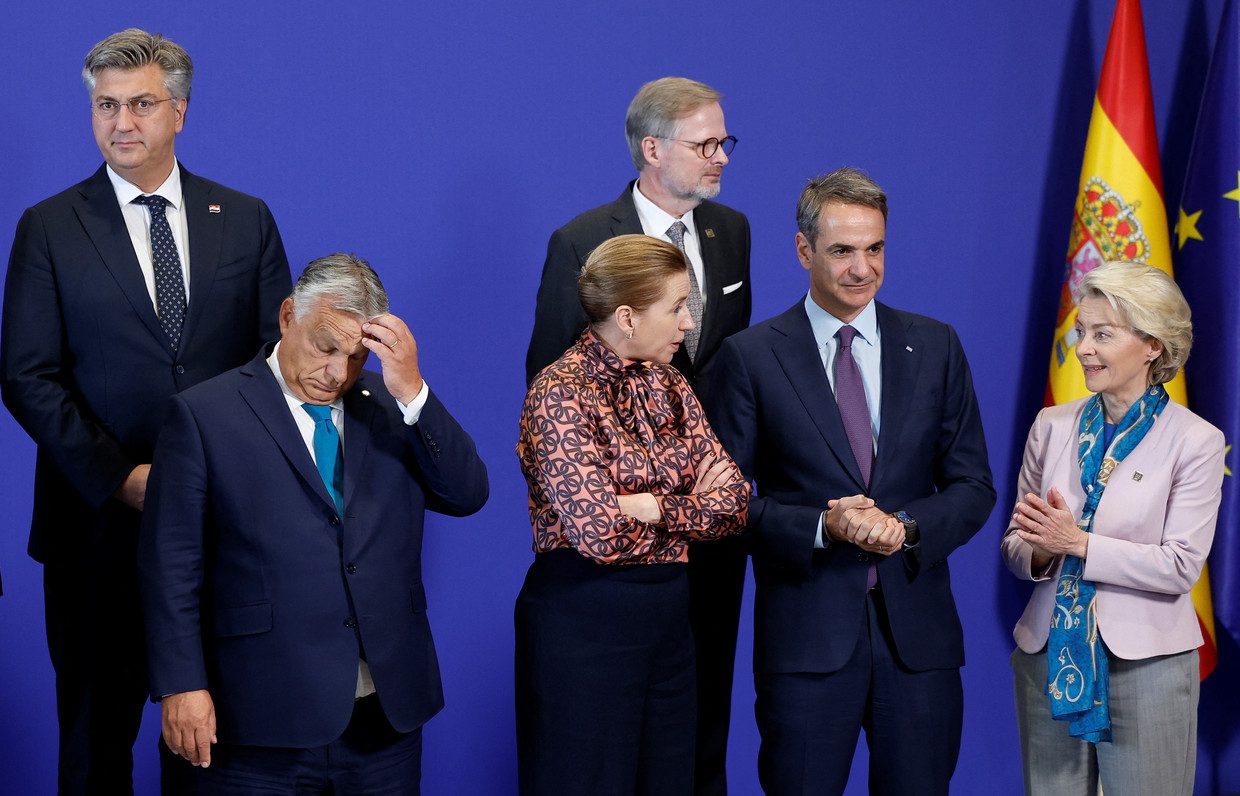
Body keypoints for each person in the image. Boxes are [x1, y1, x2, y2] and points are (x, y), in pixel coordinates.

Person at [0, 28, 291, 792]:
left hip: (219, 535)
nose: (121, 123)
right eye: (105, 106)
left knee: (211, 752)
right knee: (95, 751)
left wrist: (220, 476)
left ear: (180, 111)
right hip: (95, 534)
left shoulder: (247, 219)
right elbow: (27, 375)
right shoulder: (49, 228)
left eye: (140, 104)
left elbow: (276, 363)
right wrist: (121, 476)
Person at [139, 253, 489, 793]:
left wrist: (413, 390)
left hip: (383, 724)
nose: (337, 373)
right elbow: (170, 566)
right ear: (287, 316)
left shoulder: (391, 409)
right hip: (255, 724)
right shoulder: (203, 416)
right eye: (325, 348)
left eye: (355, 357)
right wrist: (179, 684)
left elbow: (467, 494)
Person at [707, 167, 995, 794]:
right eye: (842, 250)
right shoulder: (751, 357)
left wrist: (906, 527)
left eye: (875, 248)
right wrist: (821, 526)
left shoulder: (936, 346)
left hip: (919, 647)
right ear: (804, 249)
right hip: (807, 647)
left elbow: (974, 486)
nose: (862, 267)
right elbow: (720, 506)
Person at [525, 76, 751, 793]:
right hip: (592, 603)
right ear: (653, 148)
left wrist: (654, 507)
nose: (721, 156)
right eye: (704, 142)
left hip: (682, 588)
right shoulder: (580, 249)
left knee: (683, 762)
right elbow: (590, 520)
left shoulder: (729, 235)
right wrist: (684, 501)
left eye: (725, 141)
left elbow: (734, 496)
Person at [1002, 260, 1223, 795]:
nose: (1083, 348)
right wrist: (1039, 551)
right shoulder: (1050, 426)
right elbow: (1016, 544)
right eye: (1082, 331)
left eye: (1103, 334)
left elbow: (1179, 567)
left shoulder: (1196, 441)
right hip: (1049, 655)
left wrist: (1076, 543)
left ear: (1153, 345)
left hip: (1147, 665)